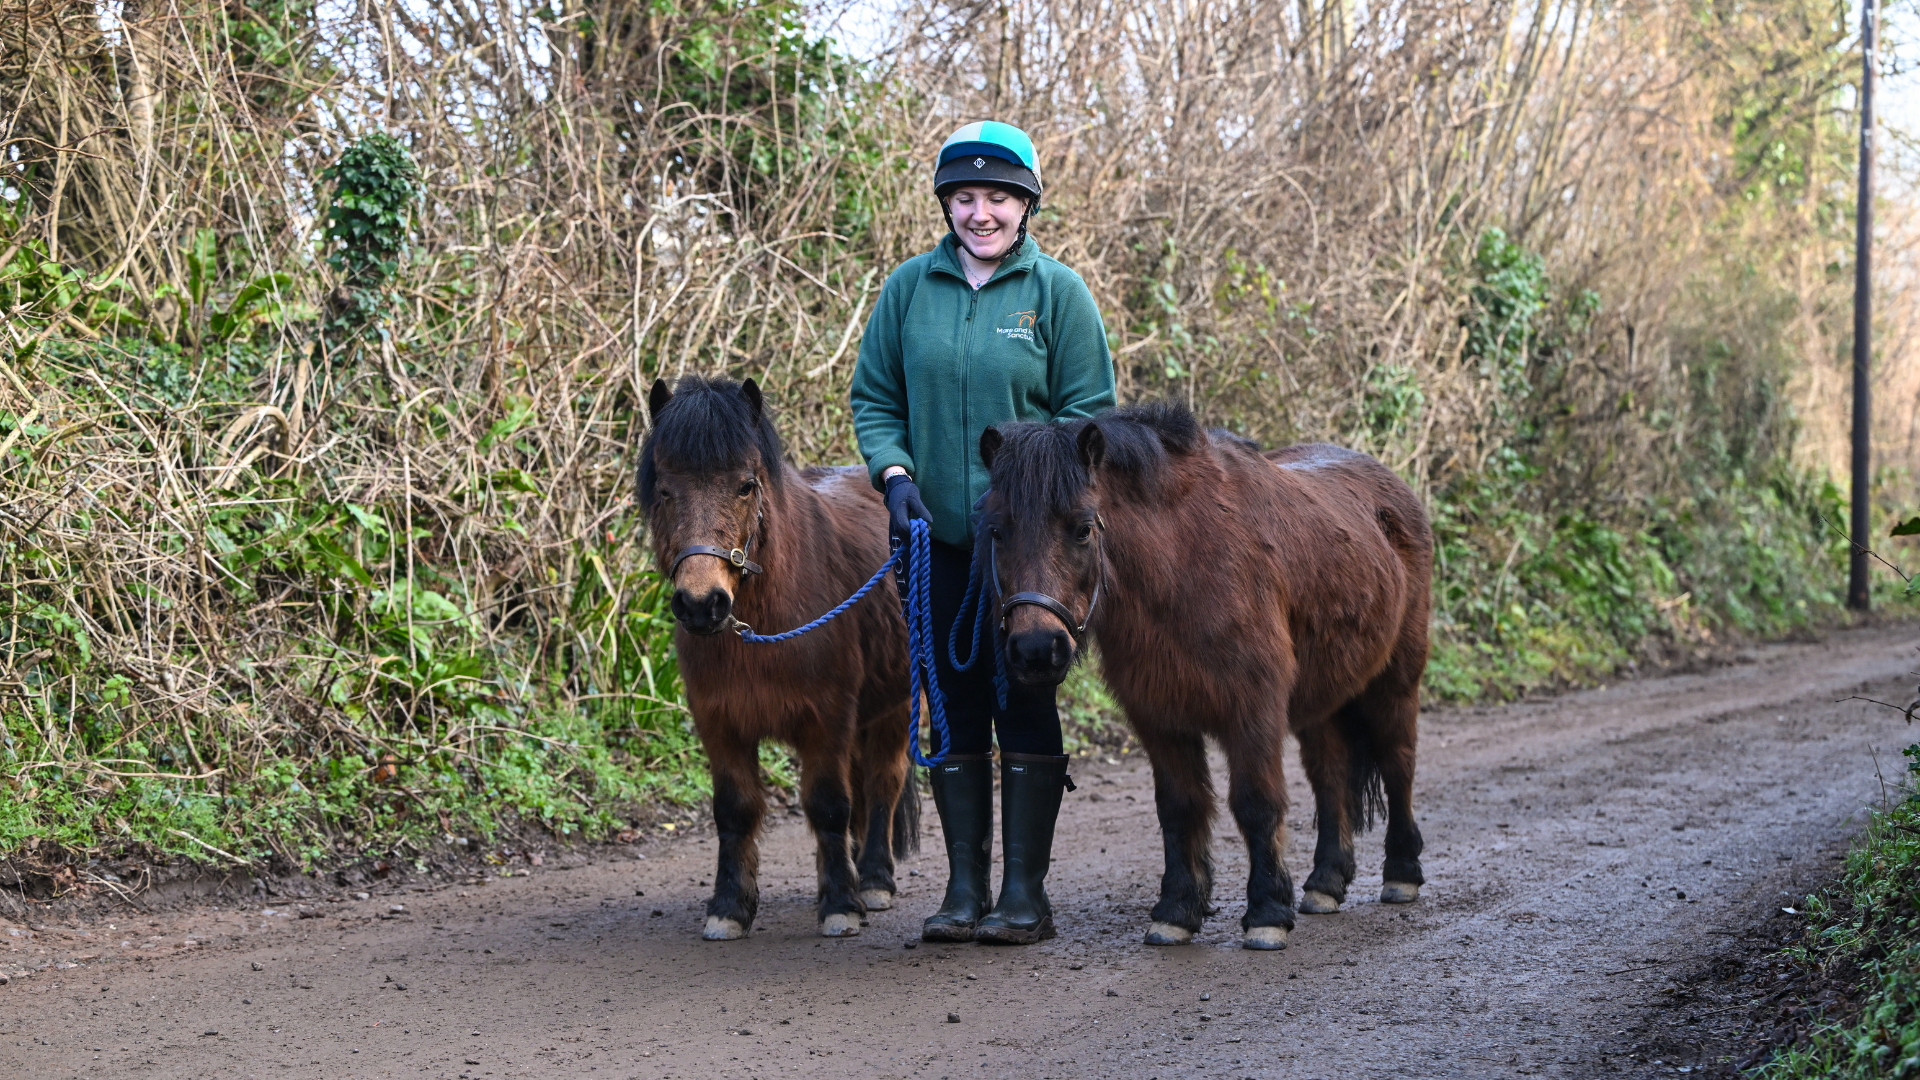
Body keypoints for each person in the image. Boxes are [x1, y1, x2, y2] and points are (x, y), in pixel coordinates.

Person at [850, 121, 1116, 945]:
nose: (981, 213)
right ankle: (964, 893)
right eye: (964, 197)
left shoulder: (1058, 294)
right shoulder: (908, 289)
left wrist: (1027, 497)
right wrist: (896, 477)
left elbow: (1089, 418)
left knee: (1024, 702)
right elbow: (875, 399)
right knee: (954, 705)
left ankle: (1025, 897)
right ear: (946, 204)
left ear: (1025, 203)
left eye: (998, 196)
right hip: (937, 541)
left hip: (1030, 555)